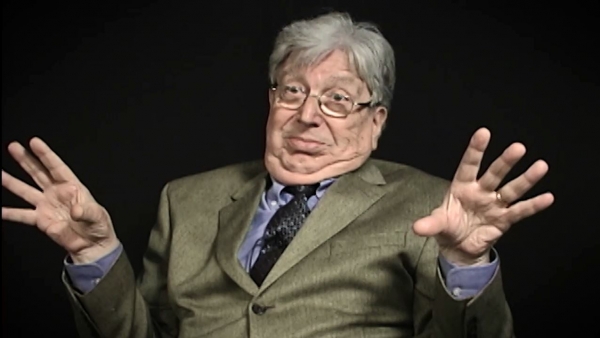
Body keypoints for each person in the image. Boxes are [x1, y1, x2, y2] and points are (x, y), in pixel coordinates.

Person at [1, 12, 553, 338]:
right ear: (272, 99)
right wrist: (95, 254)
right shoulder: (186, 200)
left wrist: (466, 264)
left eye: (337, 99)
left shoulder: (432, 207)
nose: (308, 114)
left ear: (375, 121)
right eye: (293, 91)